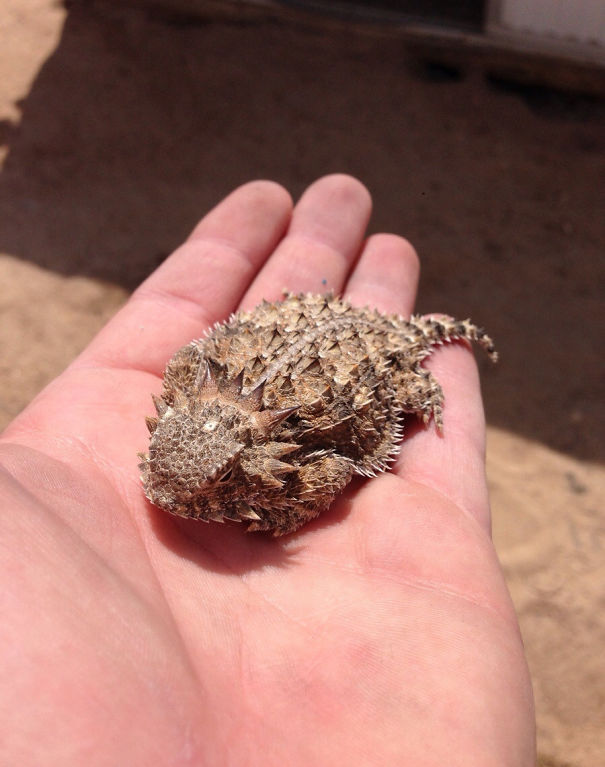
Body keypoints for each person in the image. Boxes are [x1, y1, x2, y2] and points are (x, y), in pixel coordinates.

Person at [0, 175, 535, 765]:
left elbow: (330, 469)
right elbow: (185, 363)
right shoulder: (185, 391)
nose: (160, 490)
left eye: (205, 486)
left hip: (360, 359)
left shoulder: (274, 464)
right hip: (291, 331)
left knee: (409, 389)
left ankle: (417, 369)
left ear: (237, 472)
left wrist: (280, 512)